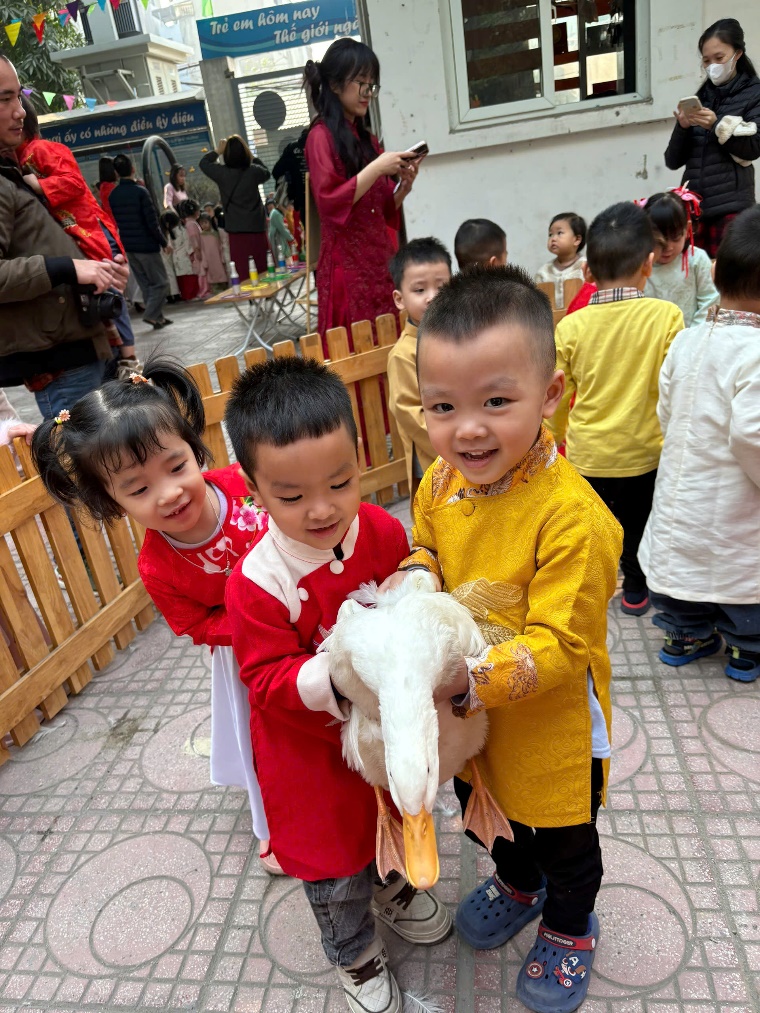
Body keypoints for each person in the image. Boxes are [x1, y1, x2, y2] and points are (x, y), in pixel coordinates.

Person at [380, 265, 621, 1013]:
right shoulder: (440, 482)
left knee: (564, 839)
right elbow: (426, 543)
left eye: (496, 401)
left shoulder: (572, 517)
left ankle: (569, 924)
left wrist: (466, 680)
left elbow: (562, 645)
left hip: (549, 724)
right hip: (471, 720)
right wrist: (415, 581)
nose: (468, 429)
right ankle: (517, 882)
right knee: (487, 813)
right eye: (443, 406)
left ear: (550, 395)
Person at [223, 357, 452, 1013]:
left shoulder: (380, 529)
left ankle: (392, 884)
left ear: (359, 459)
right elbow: (264, 678)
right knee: (333, 871)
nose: (322, 508)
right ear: (254, 489)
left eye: (340, 482)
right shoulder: (256, 583)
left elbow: (409, 596)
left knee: (389, 818)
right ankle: (354, 954)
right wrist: (339, 674)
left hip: (377, 737)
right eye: (292, 496)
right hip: (310, 758)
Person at [30, 358, 282, 873]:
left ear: (194, 447)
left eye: (176, 466)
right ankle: (273, 825)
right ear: (110, 500)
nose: (169, 493)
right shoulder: (158, 565)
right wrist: (258, 623)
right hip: (248, 658)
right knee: (269, 742)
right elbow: (196, 624)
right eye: (138, 489)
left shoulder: (242, 485)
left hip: (315, 615)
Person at [639, 206, 760, 683]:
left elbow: (666, 410)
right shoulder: (756, 352)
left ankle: (684, 636)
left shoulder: (687, 340)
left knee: (681, 573)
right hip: (735, 502)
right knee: (742, 580)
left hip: (681, 494)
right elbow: (753, 434)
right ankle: (746, 650)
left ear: (717, 272)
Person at [550, 202, 684, 617]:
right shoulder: (667, 317)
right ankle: (636, 591)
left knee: (596, 530)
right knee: (641, 525)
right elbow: (675, 388)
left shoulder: (570, 327)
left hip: (588, 455)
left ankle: (593, 593)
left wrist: (557, 438)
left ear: (588, 270)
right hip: (646, 454)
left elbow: (556, 397)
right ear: (648, 263)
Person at [0, 55, 127, 420]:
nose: (20, 111)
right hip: (58, 360)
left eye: (18, 96)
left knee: (110, 450)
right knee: (84, 454)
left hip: (81, 344)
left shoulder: (14, 170)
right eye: (5, 99)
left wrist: (98, 268)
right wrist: (68, 268)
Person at [303, 39, 421, 350]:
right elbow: (329, 203)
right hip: (346, 267)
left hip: (379, 261)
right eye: (361, 82)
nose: (368, 92)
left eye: (372, 84)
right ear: (334, 84)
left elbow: (379, 209)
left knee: (389, 346)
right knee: (354, 350)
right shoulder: (319, 137)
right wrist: (378, 167)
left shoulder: (366, 139)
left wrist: (403, 187)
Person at [17, 95, 141, 378]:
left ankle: (130, 357)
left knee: (109, 289)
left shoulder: (43, 149)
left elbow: (73, 183)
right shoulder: (23, 156)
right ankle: (123, 355)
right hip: (81, 236)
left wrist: (38, 184)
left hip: (90, 233)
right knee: (103, 292)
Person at [665, 18, 760, 258]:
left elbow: (753, 148)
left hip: (732, 207)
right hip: (694, 208)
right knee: (695, 276)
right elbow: (672, 161)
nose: (712, 66)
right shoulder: (702, 96)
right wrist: (683, 127)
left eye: (719, 58)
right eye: (706, 61)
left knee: (728, 275)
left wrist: (716, 125)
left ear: (737, 54)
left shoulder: (754, 93)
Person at [386, 237, 451, 499]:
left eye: (441, 287)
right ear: (399, 299)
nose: (432, 297)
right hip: (434, 454)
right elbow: (410, 413)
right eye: (420, 289)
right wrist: (454, 442)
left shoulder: (460, 336)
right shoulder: (404, 354)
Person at [109, 153, 172, 330]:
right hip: (146, 245)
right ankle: (151, 314)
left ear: (116, 173)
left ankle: (158, 318)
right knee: (161, 283)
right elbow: (152, 223)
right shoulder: (141, 192)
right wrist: (164, 242)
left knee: (146, 284)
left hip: (129, 246)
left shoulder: (113, 195)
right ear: (133, 169)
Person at [640, 188, 718, 326]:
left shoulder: (697, 260)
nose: (668, 247)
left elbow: (710, 301)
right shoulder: (639, 264)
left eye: (675, 238)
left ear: (687, 229)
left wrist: (693, 334)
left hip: (693, 335)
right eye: (659, 241)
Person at [199, 135, 270, 281]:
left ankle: (248, 293)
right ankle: (268, 292)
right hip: (257, 227)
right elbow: (266, 172)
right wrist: (252, 156)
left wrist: (218, 151)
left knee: (243, 271)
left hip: (236, 231)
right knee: (264, 268)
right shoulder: (254, 171)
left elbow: (203, 163)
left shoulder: (222, 173)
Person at [534, 212, 587, 309]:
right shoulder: (544, 272)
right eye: (550, 234)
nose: (553, 238)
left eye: (559, 233)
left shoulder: (586, 267)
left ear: (577, 239)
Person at [272, 127, 308, 252]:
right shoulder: (321, 145)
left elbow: (276, 171)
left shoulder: (292, 149)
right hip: (323, 197)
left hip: (302, 199)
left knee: (310, 234)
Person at [178, 199, 209, 300]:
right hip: (197, 251)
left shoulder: (189, 223)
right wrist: (197, 250)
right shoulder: (192, 224)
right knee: (201, 272)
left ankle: (203, 290)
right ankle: (203, 291)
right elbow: (194, 238)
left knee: (201, 271)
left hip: (196, 250)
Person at [199, 213, 228, 288]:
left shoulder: (216, 233)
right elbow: (202, 248)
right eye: (202, 224)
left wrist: (223, 257)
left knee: (221, 272)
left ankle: (224, 286)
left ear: (210, 222)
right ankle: (215, 288)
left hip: (218, 257)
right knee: (212, 274)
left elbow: (220, 246)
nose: (204, 225)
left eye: (205, 222)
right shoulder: (201, 235)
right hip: (209, 258)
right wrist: (204, 260)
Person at [159, 209, 182, 303]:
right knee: (170, 274)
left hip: (162, 256)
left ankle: (169, 295)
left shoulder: (161, 233)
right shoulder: (167, 234)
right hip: (166, 256)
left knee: (166, 275)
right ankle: (174, 294)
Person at [268, 194, 294, 266]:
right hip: (277, 238)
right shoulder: (276, 214)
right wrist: (291, 238)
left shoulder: (275, 212)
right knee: (282, 256)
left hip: (278, 237)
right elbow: (282, 229)